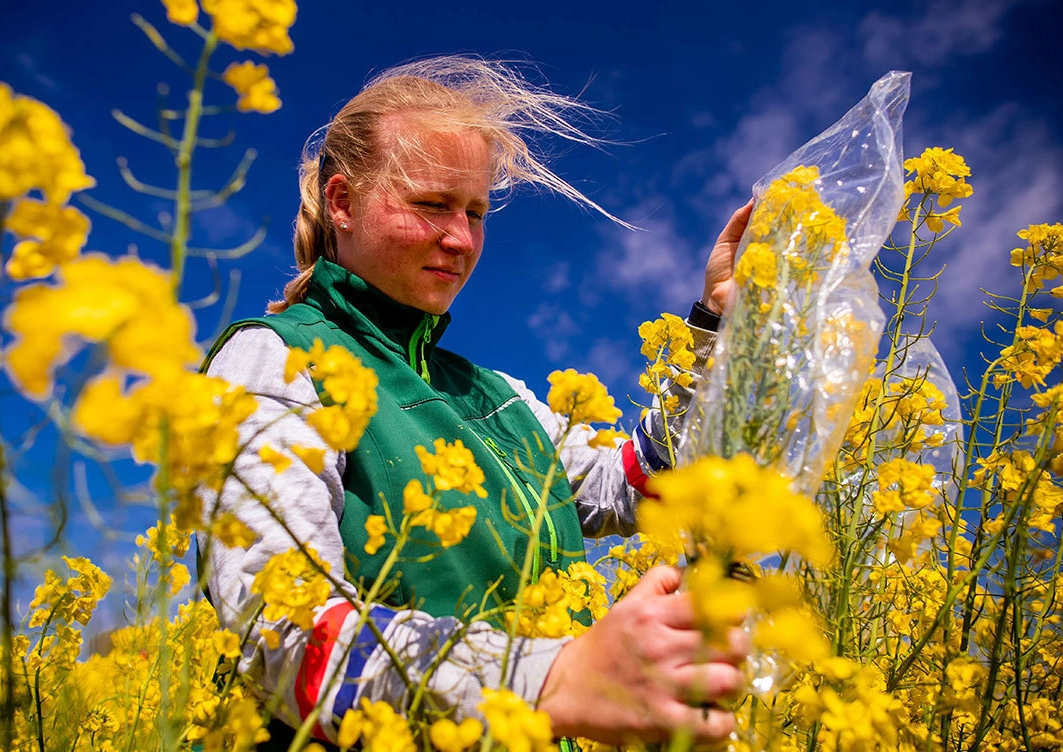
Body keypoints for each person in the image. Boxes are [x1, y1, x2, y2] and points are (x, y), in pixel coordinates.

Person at [200, 56, 754, 748]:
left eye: (476, 213)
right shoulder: (273, 360)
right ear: (342, 204)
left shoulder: (498, 397)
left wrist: (713, 325)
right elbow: (279, 627)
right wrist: (550, 680)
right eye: (432, 205)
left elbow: (639, 485)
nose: (461, 240)